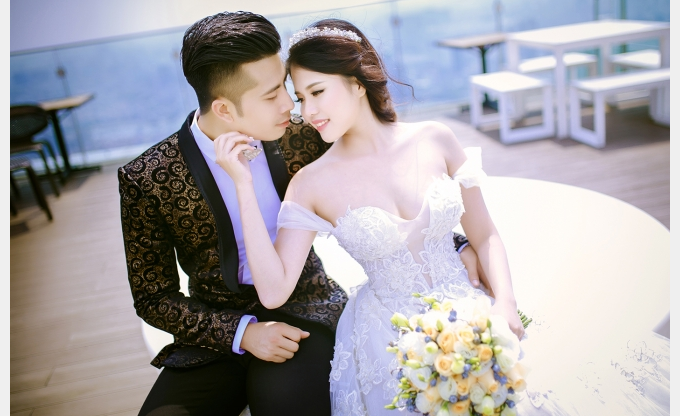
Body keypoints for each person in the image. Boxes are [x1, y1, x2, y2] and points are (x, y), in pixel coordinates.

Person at [215, 18, 670, 416]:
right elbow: (273, 291)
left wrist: (505, 304)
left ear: (357, 82)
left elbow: (484, 235)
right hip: (385, 338)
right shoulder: (311, 183)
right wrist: (242, 185)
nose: (308, 111)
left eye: (317, 92)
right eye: (300, 98)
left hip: (472, 307)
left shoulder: (435, 138)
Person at [119, 11, 482, 415]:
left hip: (305, 312)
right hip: (214, 333)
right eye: (272, 94)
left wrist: (454, 242)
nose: (291, 104)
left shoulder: (308, 132)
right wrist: (243, 333)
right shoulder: (148, 177)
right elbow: (153, 297)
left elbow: (386, 178)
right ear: (224, 109)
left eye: (286, 86)